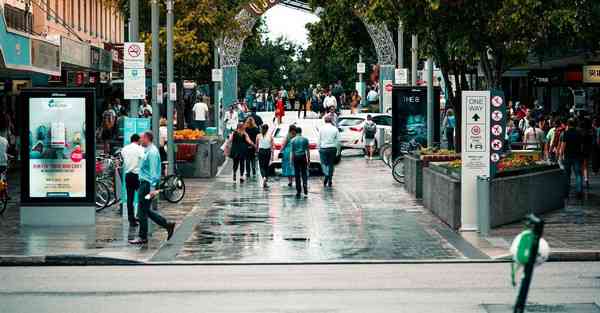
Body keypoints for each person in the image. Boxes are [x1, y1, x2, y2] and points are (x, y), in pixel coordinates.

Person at [129, 131, 175, 245]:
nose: (140, 140)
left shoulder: (153, 152)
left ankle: (142, 236)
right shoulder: (148, 150)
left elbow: (154, 172)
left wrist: (152, 188)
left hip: (147, 185)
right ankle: (166, 224)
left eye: (141, 138)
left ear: (147, 138)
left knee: (141, 211)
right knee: (145, 210)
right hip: (144, 184)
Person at [121, 134, 145, 227]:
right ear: (138, 140)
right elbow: (144, 158)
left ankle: (131, 220)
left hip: (128, 175)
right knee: (141, 196)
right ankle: (139, 215)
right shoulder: (140, 149)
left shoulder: (125, 149)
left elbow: (123, 157)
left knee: (130, 198)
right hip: (137, 175)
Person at [559, 118, 584, 199]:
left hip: (567, 156)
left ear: (568, 124)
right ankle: (579, 192)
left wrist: (560, 155)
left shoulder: (566, 133)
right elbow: (581, 146)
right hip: (577, 156)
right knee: (578, 174)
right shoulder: (579, 133)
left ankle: (566, 193)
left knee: (567, 175)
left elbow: (563, 146)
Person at [319, 115, 340, 187]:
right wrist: (338, 150)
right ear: (331, 121)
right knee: (331, 164)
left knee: (323, 163)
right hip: (332, 148)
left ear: (325, 121)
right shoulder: (335, 129)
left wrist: (319, 147)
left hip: (323, 148)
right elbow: (338, 141)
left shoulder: (321, 129)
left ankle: (326, 174)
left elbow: (319, 139)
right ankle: (330, 179)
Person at [291, 127, 310, 198]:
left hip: (296, 157)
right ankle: (305, 184)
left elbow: (292, 151)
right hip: (303, 156)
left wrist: (291, 160)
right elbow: (307, 150)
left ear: (295, 132)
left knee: (297, 173)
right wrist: (309, 159)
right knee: (304, 172)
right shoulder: (305, 139)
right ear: (301, 132)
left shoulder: (293, 140)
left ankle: (298, 189)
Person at [256, 124, 274, 188]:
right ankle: (266, 179)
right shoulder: (270, 136)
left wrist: (256, 152)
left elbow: (257, 145)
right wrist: (272, 155)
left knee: (261, 166)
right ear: (267, 129)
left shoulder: (258, 136)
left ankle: (263, 177)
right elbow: (272, 147)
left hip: (261, 151)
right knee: (266, 166)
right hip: (268, 151)